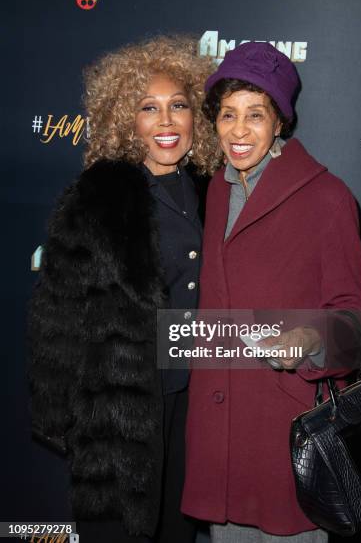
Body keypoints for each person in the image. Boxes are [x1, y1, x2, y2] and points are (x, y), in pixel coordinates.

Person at [28, 36, 217, 543]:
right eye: (148, 108)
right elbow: (57, 313)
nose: (166, 121)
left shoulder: (210, 190)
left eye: (178, 105)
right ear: (124, 119)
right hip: (120, 408)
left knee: (177, 530)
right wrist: (57, 413)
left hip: (193, 405)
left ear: (196, 115)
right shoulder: (99, 198)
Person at [181, 42, 361, 542]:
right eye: (227, 115)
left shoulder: (328, 198)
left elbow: (356, 325)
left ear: (281, 122)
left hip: (281, 438)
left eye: (255, 115)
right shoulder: (214, 189)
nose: (239, 131)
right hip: (219, 439)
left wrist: (308, 337)